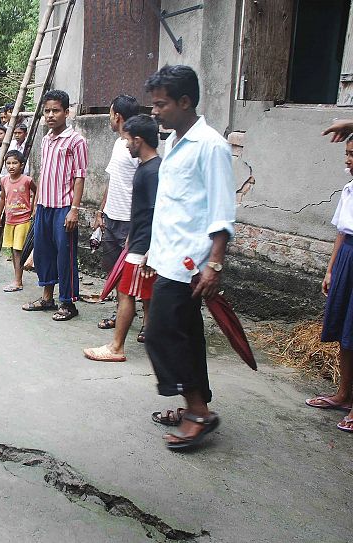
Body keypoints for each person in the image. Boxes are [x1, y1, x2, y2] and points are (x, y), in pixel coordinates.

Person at [142, 65, 235, 451]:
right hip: (169, 257)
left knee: (163, 335)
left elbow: (221, 210)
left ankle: (199, 412)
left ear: (185, 101)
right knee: (186, 336)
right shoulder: (176, 143)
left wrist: (214, 264)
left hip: (189, 264)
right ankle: (195, 404)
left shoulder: (211, 146)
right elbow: (175, 209)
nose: (155, 112)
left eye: (161, 104)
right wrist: (153, 249)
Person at [84, 114, 160, 362]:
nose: (125, 144)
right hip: (137, 241)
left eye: (128, 140)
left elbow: (157, 212)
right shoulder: (146, 168)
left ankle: (117, 347)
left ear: (138, 140)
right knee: (136, 291)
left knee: (127, 292)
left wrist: (149, 247)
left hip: (144, 246)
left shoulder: (152, 172)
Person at [20, 90, 87, 322]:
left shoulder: (76, 141)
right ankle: (47, 298)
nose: (50, 115)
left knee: (65, 256)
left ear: (66, 112)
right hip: (45, 206)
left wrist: (74, 209)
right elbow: (44, 173)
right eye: (47, 111)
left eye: (55, 110)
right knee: (44, 253)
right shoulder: (46, 139)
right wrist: (37, 204)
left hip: (64, 208)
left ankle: (68, 303)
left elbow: (80, 176)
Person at [306, 134, 353, 430]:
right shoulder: (349, 189)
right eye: (347, 152)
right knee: (344, 333)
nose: (348, 158)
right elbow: (340, 232)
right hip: (347, 257)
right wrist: (331, 269)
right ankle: (343, 394)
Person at [93, 95, 140, 330]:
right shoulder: (117, 144)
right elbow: (112, 181)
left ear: (117, 116)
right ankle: (119, 314)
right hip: (112, 219)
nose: (110, 119)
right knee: (115, 272)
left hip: (131, 222)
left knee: (138, 274)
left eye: (110, 114)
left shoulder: (137, 146)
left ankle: (147, 325)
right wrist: (101, 211)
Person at [0, 150, 36, 292]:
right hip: (9, 220)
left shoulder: (27, 180)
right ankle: (17, 278)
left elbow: (36, 192)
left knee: (18, 250)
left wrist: (33, 208)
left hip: (23, 219)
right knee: (13, 250)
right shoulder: (4, 180)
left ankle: (18, 281)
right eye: (8, 163)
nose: (11, 166)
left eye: (15, 163)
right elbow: (2, 198)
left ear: (22, 165)